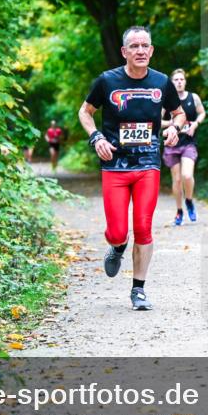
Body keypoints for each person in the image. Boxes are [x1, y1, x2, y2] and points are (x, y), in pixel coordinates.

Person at [78, 26, 187, 310]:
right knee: (117, 231)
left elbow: (180, 114)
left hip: (148, 163)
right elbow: (85, 111)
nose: (140, 51)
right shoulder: (107, 81)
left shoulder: (162, 82)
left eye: (145, 46)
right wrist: (96, 136)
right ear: (125, 51)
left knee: (143, 226)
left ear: (151, 51)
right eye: (134, 46)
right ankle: (116, 246)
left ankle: (138, 290)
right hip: (114, 165)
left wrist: (175, 129)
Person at [161, 68, 206, 225]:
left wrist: (195, 124)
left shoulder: (193, 97)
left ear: (185, 81)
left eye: (181, 79)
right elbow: (158, 121)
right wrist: (174, 123)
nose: (179, 82)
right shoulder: (167, 99)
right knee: (177, 179)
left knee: (187, 175)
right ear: (172, 83)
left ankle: (189, 200)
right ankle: (179, 211)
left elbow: (202, 113)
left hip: (188, 142)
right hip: (172, 143)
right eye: (176, 80)